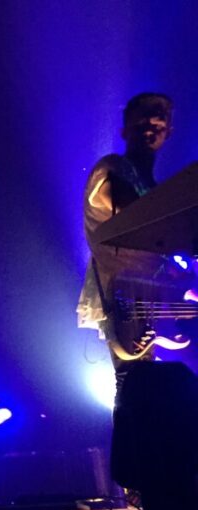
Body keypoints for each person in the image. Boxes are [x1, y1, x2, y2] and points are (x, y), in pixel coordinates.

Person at [77, 92, 176, 393]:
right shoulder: (111, 168)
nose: (152, 120)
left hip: (155, 301)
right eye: (143, 114)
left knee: (153, 394)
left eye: (159, 114)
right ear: (124, 129)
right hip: (126, 300)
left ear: (168, 130)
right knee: (135, 390)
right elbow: (129, 211)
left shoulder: (153, 186)